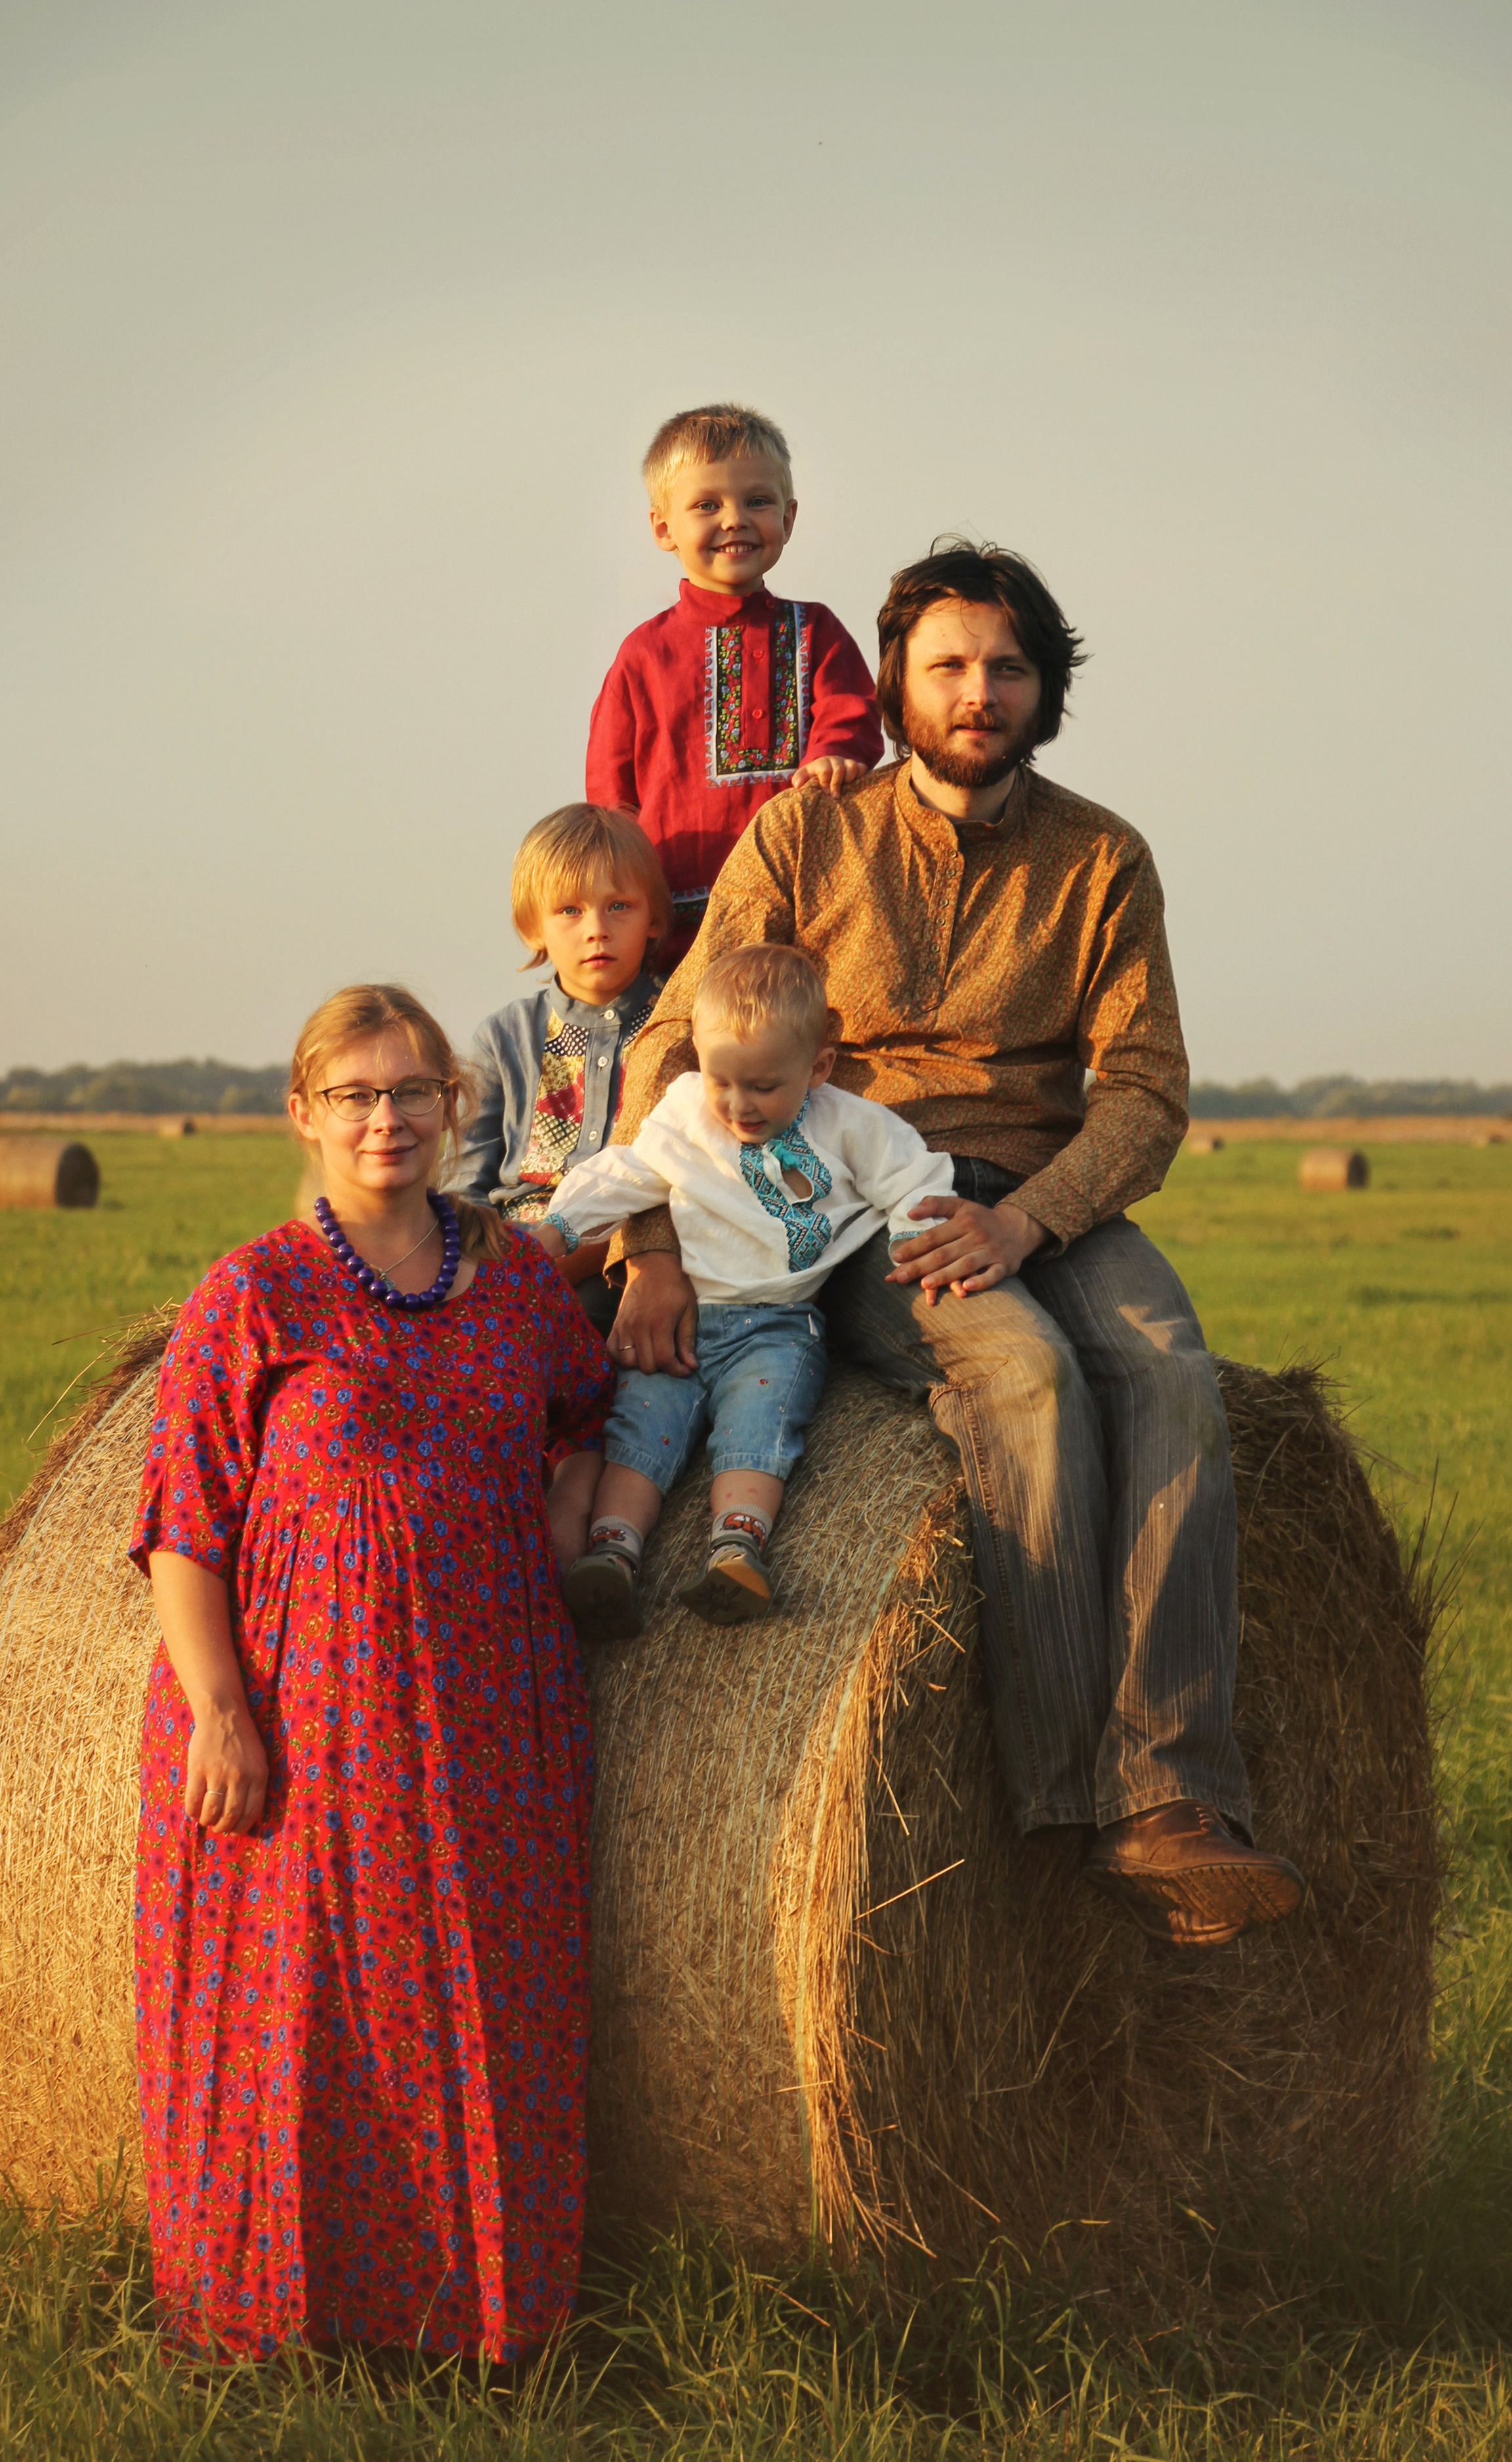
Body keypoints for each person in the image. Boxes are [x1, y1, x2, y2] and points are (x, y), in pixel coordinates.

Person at [597, 541, 1307, 1951]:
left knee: (1168, 1370)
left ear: (1045, 691)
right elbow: (679, 1032)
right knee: (1024, 1381)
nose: (976, 691)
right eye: (947, 666)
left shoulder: (1102, 858)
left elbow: (1147, 1087)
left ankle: (1170, 1797)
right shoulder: (807, 839)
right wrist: (647, 1239)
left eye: (1005, 667)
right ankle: (1052, 1811)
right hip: (862, 1195)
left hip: (1048, 1192)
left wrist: (1029, 1217)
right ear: (899, 682)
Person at [131, 983, 612, 2364]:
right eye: (353, 1094)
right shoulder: (253, 1291)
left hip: (490, 1705)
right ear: (306, 1114)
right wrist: (220, 1713)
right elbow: (185, 1525)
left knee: (482, 2005)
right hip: (302, 1714)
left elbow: (580, 1411)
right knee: (310, 2013)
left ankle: (473, 2329)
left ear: (453, 1107)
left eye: (409, 1091)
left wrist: (566, 1521)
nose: (385, 1118)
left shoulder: (518, 1276)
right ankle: (277, 2324)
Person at [526, 942, 954, 1638]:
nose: (739, 1104)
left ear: (817, 1067)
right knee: (640, 1426)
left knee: (758, 1430)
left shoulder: (850, 1125)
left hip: (778, 1327)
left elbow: (916, 1176)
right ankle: (612, 1556)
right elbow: (629, 1171)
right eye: (721, 1080)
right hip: (686, 1321)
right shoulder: (689, 1111)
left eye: (763, 1086)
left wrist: (913, 1239)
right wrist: (561, 1230)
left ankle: (737, 1548)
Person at [585, 403, 883, 969]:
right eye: (706, 505)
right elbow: (610, 793)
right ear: (663, 528)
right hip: (678, 927)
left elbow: (853, 716)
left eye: (758, 501)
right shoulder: (644, 655)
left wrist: (835, 757)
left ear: (789, 518)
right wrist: (618, 886)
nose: (734, 519)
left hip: (806, 914)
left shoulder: (815, 630)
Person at [455, 803, 671, 1332]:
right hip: (511, 1251)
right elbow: (466, 1181)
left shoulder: (676, 1027)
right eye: (570, 911)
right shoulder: (504, 1038)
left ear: (654, 920)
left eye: (618, 906)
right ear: (534, 927)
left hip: (620, 1250)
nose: (596, 929)